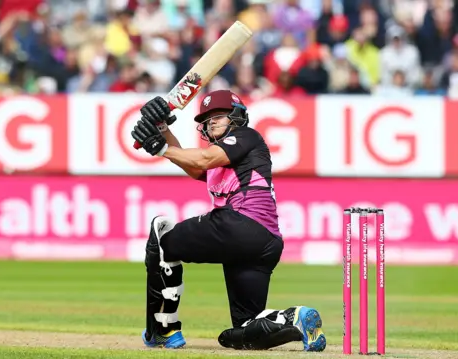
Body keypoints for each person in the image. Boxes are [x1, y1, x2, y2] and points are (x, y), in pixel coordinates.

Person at [130, 90, 326, 352]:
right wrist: (163, 128)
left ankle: (163, 330)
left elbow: (203, 158)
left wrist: (162, 149)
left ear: (237, 116)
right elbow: (197, 167)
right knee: (244, 331)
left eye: (218, 116)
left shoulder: (246, 137)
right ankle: (295, 318)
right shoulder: (222, 156)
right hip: (264, 244)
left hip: (240, 224)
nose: (211, 122)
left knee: (162, 239)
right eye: (207, 119)